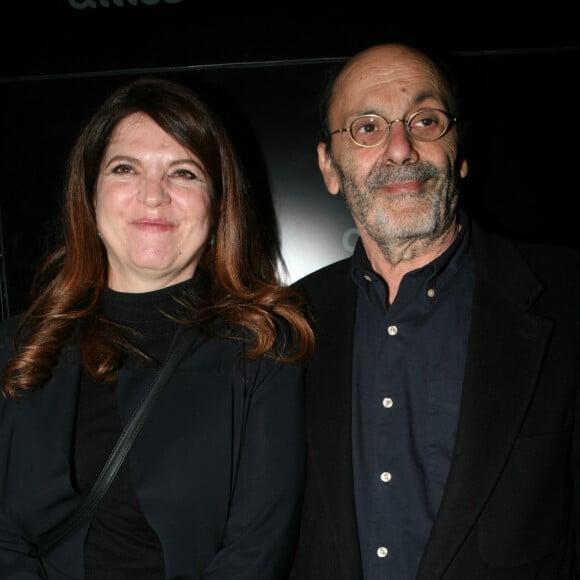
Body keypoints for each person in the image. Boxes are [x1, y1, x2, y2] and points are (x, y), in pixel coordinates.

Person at [0, 76, 314, 580]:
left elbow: (255, 552)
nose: (153, 196)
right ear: (90, 195)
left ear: (217, 204)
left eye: (184, 173)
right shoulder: (21, 346)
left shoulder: (263, 353)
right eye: (125, 169)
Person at [289, 42, 580, 580]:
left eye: (426, 120)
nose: (401, 148)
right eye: (367, 127)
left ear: (460, 151)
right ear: (329, 168)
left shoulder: (568, 298)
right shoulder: (285, 327)